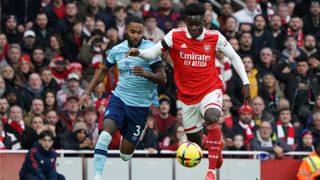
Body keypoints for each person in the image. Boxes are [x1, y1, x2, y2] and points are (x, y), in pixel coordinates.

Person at [127, 3, 251, 180]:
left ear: (204, 21)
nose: (193, 28)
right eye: (190, 24)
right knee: (197, 142)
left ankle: (211, 172)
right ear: (186, 21)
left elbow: (234, 57)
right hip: (187, 97)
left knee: (212, 117)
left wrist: (246, 83)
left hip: (210, 89)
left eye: (197, 24)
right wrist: (138, 52)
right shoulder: (175, 35)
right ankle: (216, 146)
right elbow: (154, 52)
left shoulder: (214, 37)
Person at [79, 16, 166, 180]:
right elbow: (103, 70)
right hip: (119, 98)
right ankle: (96, 176)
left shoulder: (151, 50)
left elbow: (163, 78)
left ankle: (126, 140)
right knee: (105, 135)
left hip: (140, 108)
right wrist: (86, 93)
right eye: (132, 31)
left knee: (125, 155)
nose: (135, 35)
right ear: (126, 30)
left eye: (139, 32)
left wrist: (146, 73)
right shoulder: (117, 49)